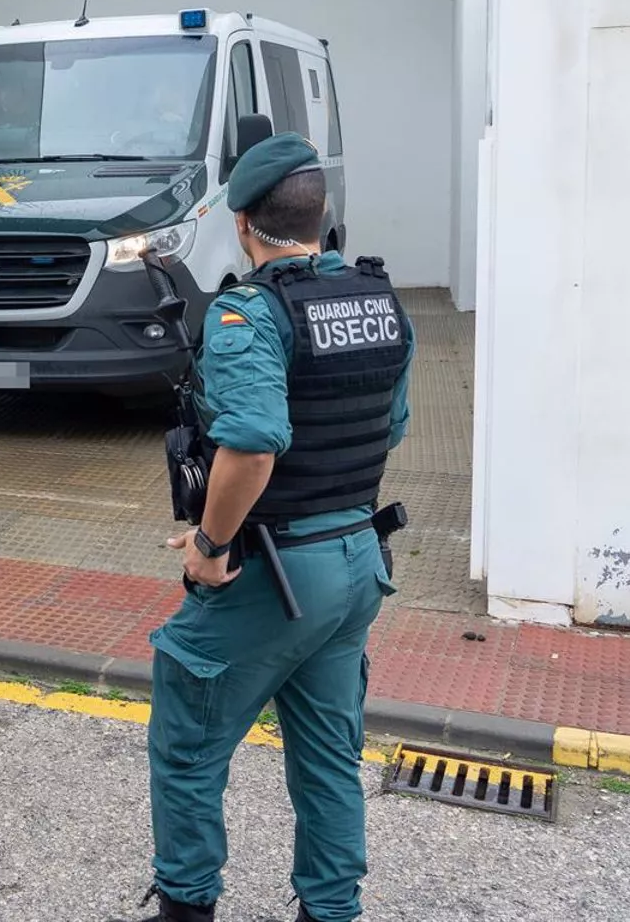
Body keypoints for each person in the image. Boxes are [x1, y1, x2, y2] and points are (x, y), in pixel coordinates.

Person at [135, 132, 414, 922]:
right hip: (357, 557)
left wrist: (210, 546)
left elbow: (253, 445)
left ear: (244, 223)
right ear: (321, 218)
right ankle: (331, 910)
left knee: (188, 745)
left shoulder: (248, 313)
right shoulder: (379, 301)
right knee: (328, 756)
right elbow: (388, 429)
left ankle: (186, 906)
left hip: (275, 570)